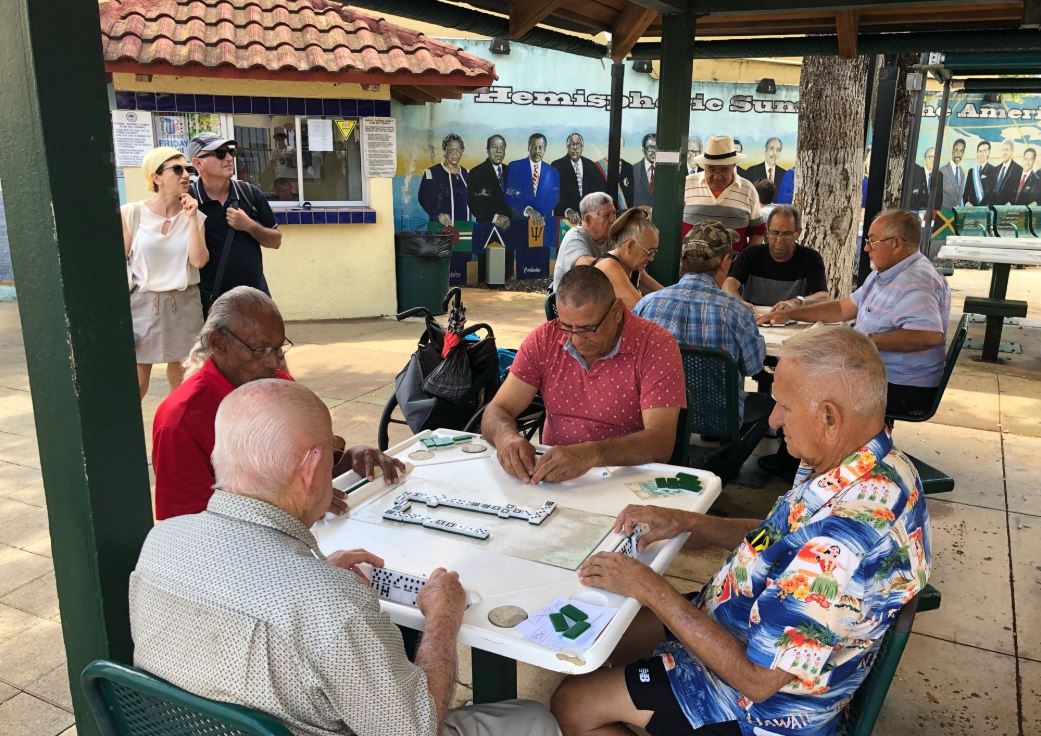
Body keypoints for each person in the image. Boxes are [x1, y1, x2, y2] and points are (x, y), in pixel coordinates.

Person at [549, 326, 931, 736]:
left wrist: (649, 586)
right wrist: (688, 521)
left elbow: (757, 680)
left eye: (784, 405)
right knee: (601, 636)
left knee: (571, 702)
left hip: (755, 707)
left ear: (829, 417)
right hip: (735, 620)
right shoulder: (869, 466)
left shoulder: (841, 541)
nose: (772, 418)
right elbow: (782, 538)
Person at [133, 379, 560, 736]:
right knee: (533, 719)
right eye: (331, 451)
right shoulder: (333, 606)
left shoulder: (159, 544)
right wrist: (443, 617)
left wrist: (315, 578)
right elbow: (414, 730)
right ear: (310, 466)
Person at [151, 286, 402, 520]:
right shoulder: (180, 420)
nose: (273, 363)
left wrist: (347, 460)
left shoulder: (277, 384)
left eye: (278, 349)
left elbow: (302, 469)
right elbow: (187, 525)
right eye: (259, 350)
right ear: (218, 343)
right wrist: (291, 508)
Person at [481, 266, 685, 484]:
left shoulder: (655, 344)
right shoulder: (545, 338)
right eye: (567, 326)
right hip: (553, 478)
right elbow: (496, 410)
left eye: (588, 328)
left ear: (616, 311)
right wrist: (506, 438)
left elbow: (660, 441)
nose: (576, 341)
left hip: (628, 479)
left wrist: (591, 453)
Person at [758, 209, 951, 416]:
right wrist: (792, 313)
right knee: (800, 371)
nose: (866, 247)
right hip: (875, 372)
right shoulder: (885, 274)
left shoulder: (916, 281)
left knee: (806, 385)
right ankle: (797, 443)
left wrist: (862, 341)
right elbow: (842, 308)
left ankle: (806, 445)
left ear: (896, 243)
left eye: (873, 241)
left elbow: (928, 336)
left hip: (901, 386)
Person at [634, 221, 766, 419]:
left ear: (682, 260)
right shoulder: (737, 312)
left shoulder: (646, 304)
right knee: (766, 401)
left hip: (659, 417)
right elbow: (754, 367)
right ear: (725, 261)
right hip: (719, 421)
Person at [123, 147, 209, 399]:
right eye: (177, 169)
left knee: (182, 386)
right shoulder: (132, 213)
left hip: (183, 302)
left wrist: (192, 219)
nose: (186, 175)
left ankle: (179, 435)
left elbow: (199, 260)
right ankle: (128, 436)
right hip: (143, 303)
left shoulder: (196, 215)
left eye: (188, 169)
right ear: (156, 177)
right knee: (136, 384)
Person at [188, 133, 281, 313]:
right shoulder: (188, 200)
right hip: (209, 302)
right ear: (198, 163)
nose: (229, 158)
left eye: (231, 152)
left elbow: (276, 241)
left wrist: (249, 225)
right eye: (220, 153)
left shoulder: (250, 193)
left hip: (253, 297)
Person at [724, 206, 828, 310]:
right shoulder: (751, 254)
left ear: (798, 233)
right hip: (754, 317)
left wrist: (796, 302)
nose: (779, 240)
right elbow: (728, 284)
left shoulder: (811, 258)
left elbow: (823, 297)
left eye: (786, 234)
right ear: (767, 231)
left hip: (792, 319)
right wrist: (738, 302)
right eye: (775, 233)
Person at [683, 135, 766, 253]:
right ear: (704, 166)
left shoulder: (748, 189)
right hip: (689, 269)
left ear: (733, 166)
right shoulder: (687, 184)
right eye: (711, 169)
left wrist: (745, 263)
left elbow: (757, 232)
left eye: (724, 170)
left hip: (733, 269)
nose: (717, 177)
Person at [592, 207, 664, 310]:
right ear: (630, 246)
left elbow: (664, 293)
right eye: (649, 252)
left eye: (653, 252)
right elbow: (640, 308)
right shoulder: (609, 266)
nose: (651, 258)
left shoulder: (634, 268)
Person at [551, 192, 617, 292]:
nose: (613, 220)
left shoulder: (609, 236)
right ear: (588, 220)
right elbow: (586, 268)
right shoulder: (574, 238)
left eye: (614, 214)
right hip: (572, 304)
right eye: (606, 215)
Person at [505, 133, 560, 231]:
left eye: (540, 147)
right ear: (528, 148)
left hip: (543, 226)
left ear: (545, 150)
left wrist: (539, 213)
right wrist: (527, 210)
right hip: (519, 224)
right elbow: (510, 196)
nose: (537, 151)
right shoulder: (514, 167)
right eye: (534, 147)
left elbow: (554, 198)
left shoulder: (552, 172)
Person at [552, 132, 608, 222]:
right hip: (565, 219)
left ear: (582, 148)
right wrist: (567, 211)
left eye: (578, 145)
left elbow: (600, 192)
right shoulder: (557, 166)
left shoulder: (591, 166)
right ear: (567, 147)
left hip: (589, 219)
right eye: (571, 145)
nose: (575, 148)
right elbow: (554, 195)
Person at [418, 133, 471, 226]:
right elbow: (423, 199)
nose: (455, 153)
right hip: (440, 229)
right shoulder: (432, 173)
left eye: (458, 149)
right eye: (451, 149)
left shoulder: (468, 174)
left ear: (462, 151)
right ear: (444, 151)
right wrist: (438, 214)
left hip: (464, 228)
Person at [467, 134, 511, 230]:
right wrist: (495, 218)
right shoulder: (476, 173)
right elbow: (473, 204)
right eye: (494, 147)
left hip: (510, 229)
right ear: (487, 149)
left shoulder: (510, 171)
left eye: (502, 148)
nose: (499, 151)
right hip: (487, 228)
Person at [595, 136, 634, 209]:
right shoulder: (597, 166)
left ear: (622, 148)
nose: (616, 148)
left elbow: (631, 194)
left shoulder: (628, 167)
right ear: (608, 146)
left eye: (619, 146)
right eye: (613, 145)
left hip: (623, 213)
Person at [987, 139, 1023, 206]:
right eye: (1003, 150)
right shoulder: (996, 169)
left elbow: (1017, 191)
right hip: (993, 207)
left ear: (1012, 151)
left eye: (1007, 150)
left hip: (1007, 209)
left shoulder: (1018, 169)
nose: (1004, 152)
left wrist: (1010, 204)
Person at [963, 139, 995, 206]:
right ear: (977, 153)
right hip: (971, 210)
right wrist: (967, 203)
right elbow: (966, 192)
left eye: (984, 151)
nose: (982, 154)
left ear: (988, 152)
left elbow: (992, 192)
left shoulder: (994, 170)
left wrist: (981, 208)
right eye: (980, 151)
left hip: (986, 210)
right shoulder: (971, 171)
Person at [632, 134, 657, 207]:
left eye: (656, 148)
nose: (653, 151)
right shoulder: (633, 170)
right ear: (643, 150)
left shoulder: (665, 172)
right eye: (650, 148)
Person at [941, 138, 966, 210]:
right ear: (952, 151)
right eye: (956, 150)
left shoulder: (962, 174)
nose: (958, 153)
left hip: (957, 216)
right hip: (943, 215)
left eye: (961, 151)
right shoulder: (942, 171)